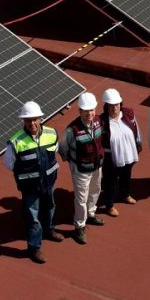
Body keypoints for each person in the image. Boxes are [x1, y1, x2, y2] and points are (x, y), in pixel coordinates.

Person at [2, 101, 63, 263]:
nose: (32, 123)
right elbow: (8, 164)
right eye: (28, 120)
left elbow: (55, 150)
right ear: (23, 121)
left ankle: (49, 231)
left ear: (41, 119)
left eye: (35, 119)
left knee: (50, 206)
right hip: (29, 187)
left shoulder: (52, 133)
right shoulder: (16, 142)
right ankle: (34, 248)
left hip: (49, 182)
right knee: (32, 216)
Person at [59, 92, 106, 245]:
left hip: (96, 167)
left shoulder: (99, 121)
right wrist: (72, 163)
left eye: (92, 110)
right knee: (81, 199)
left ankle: (91, 214)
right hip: (80, 170)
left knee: (95, 190)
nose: (89, 113)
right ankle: (79, 225)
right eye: (86, 110)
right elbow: (63, 148)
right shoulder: (72, 129)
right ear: (79, 111)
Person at [99, 88, 141, 217]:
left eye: (116, 104)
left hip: (128, 152)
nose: (114, 108)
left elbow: (136, 129)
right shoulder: (101, 121)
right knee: (110, 181)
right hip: (111, 157)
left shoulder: (128, 114)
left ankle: (125, 194)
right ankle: (109, 204)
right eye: (110, 105)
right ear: (106, 106)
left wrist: (138, 143)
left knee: (126, 176)